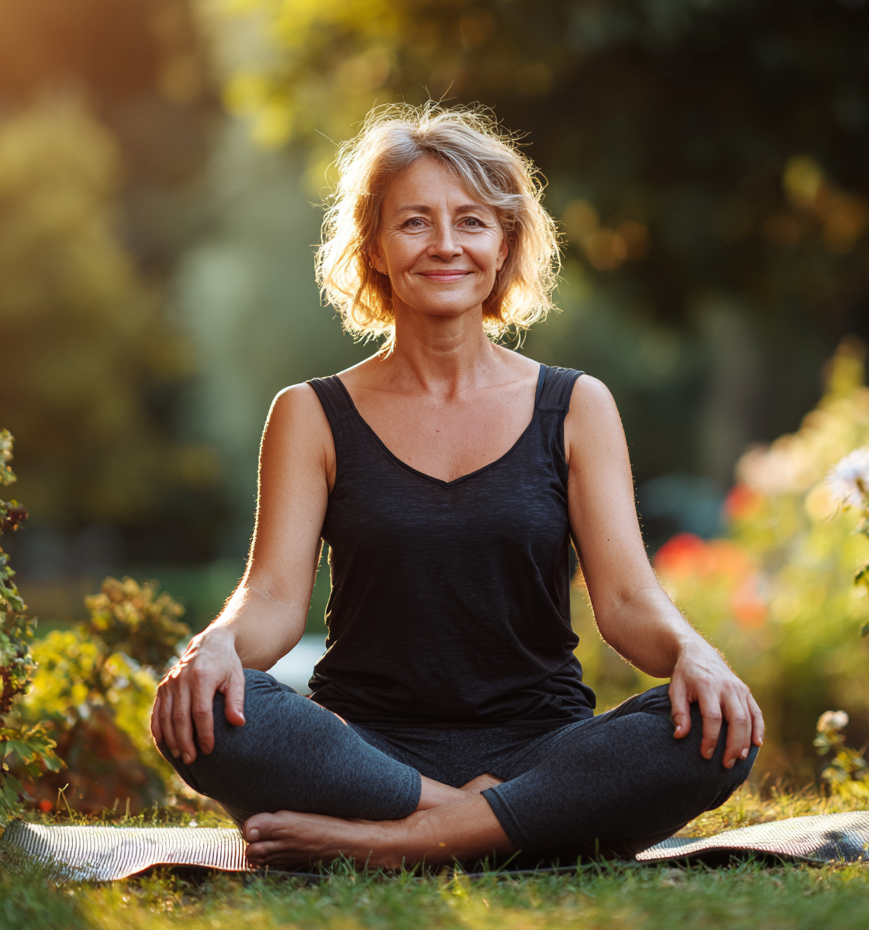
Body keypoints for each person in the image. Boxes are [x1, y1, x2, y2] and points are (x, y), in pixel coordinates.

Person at [151, 105, 763, 871]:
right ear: (375, 245)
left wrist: (695, 654)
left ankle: (386, 846)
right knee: (209, 706)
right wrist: (214, 648)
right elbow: (273, 601)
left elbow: (629, 605)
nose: (445, 245)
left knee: (709, 731)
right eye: (414, 222)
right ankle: (512, 830)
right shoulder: (310, 414)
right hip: (366, 750)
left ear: (505, 244)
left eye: (472, 222)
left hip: (540, 743)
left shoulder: (575, 406)